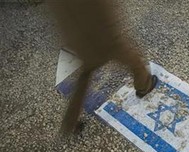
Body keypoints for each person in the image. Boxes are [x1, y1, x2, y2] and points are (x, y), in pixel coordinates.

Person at [47, 0, 158, 134]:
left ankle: (69, 123)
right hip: (102, 36)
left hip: (77, 38)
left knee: (85, 74)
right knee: (132, 58)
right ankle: (144, 85)